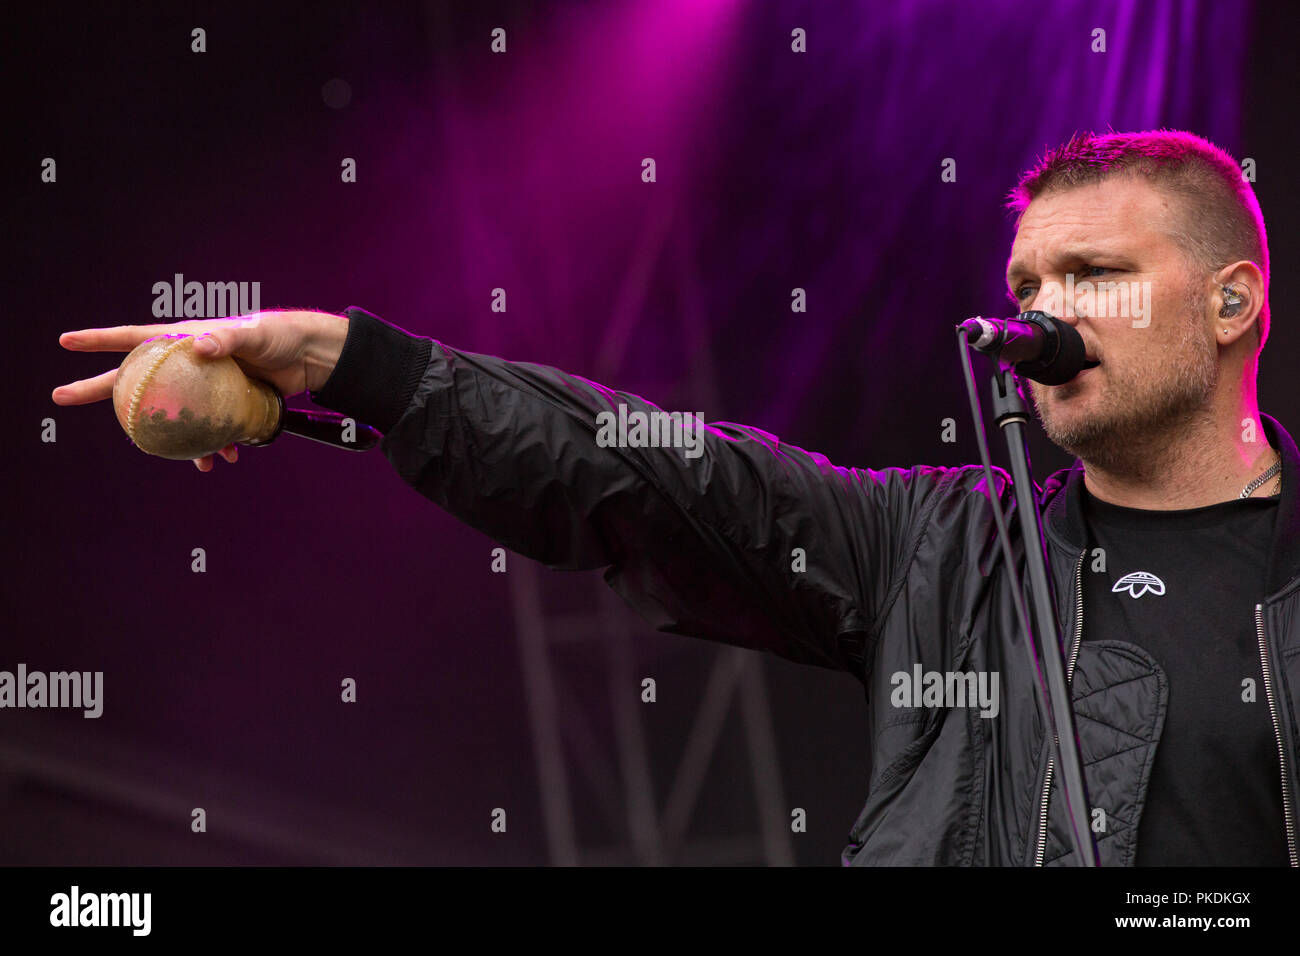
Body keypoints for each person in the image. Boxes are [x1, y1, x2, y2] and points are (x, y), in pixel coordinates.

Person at [52, 129, 1298, 866]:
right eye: (1028, 278)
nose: (1040, 311)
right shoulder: (938, 548)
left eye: (1092, 274)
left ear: (1229, 302)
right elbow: (646, 469)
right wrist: (357, 362)